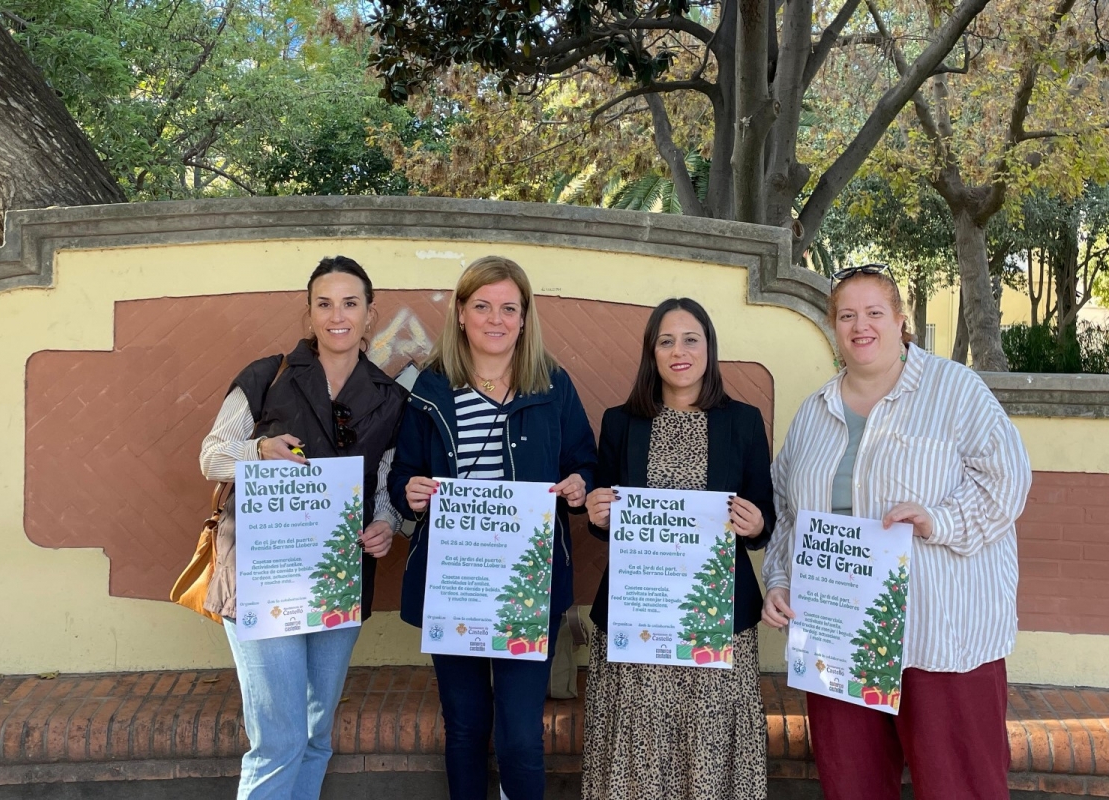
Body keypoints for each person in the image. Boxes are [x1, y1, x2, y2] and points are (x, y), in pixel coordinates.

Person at [761, 264, 1032, 800]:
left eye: (874, 313)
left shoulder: (954, 390)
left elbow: (1009, 481)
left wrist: (940, 518)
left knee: (959, 787)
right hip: (838, 638)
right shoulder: (813, 414)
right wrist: (779, 581)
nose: (861, 326)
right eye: (847, 315)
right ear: (833, 327)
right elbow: (789, 513)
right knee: (852, 786)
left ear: (900, 320)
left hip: (940, 637)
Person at [198, 256, 408, 799]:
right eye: (324, 303)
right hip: (261, 576)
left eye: (350, 303)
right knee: (277, 739)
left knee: (316, 735)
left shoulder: (390, 397)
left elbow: (387, 485)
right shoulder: (266, 377)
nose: (337, 315)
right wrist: (257, 452)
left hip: (338, 577)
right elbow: (211, 456)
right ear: (309, 313)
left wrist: (384, 525)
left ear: (370, 315)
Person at [388, 255, 597, 800]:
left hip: (529, 586)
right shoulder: (431, 388)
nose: (495, 319)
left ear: (525, 318)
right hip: (455, 584)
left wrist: (577, 485)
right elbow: (404, 474)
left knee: (522, 734)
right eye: (482, 306)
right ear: (461, 314)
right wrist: (408, 494)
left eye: (509, 307)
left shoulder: (552, 385)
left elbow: (586, 462)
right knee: (464, 728)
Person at [582, 298, 775, 800]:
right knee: (640, 746)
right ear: (652, 353)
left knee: (707, 751)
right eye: (666, 341)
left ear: (709, 349)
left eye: (691, 339)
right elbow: (607, 519)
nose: (679, 351)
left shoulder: (744, 422)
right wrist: (599, 513)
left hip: (716, 619)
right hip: (639, 615)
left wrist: (754, 525)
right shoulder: (621, 422)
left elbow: (765, 517)